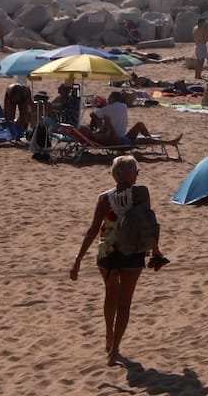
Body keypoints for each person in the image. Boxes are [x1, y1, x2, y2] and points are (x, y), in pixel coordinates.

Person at [70, 156, 165, 367]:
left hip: (107, 253)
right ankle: (114, 351)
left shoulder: (104, 198)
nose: (138, 174)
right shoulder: (141, 193)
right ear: (129, 174)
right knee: (124, 304)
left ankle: (108, 335)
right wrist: (156, 251)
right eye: (136, 170)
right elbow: (148, 222)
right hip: (131, 252)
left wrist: (78, 259)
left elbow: (93, 229)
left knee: (110, 295)